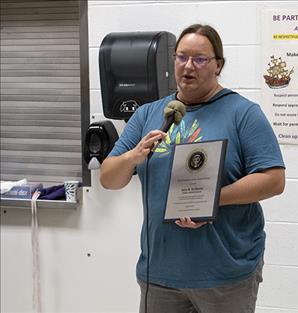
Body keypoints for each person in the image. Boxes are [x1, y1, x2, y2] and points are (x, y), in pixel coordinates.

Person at [100, 24, 285, 313]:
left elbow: (273, 180)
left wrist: (211, 200)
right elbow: (109, 179)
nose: (188, 66)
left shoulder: (243, 113)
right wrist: (133, 156)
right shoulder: (149, 114)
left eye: (200, 59)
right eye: (181, 57)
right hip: (159, 273)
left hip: (225, 274)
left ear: (218, 65)